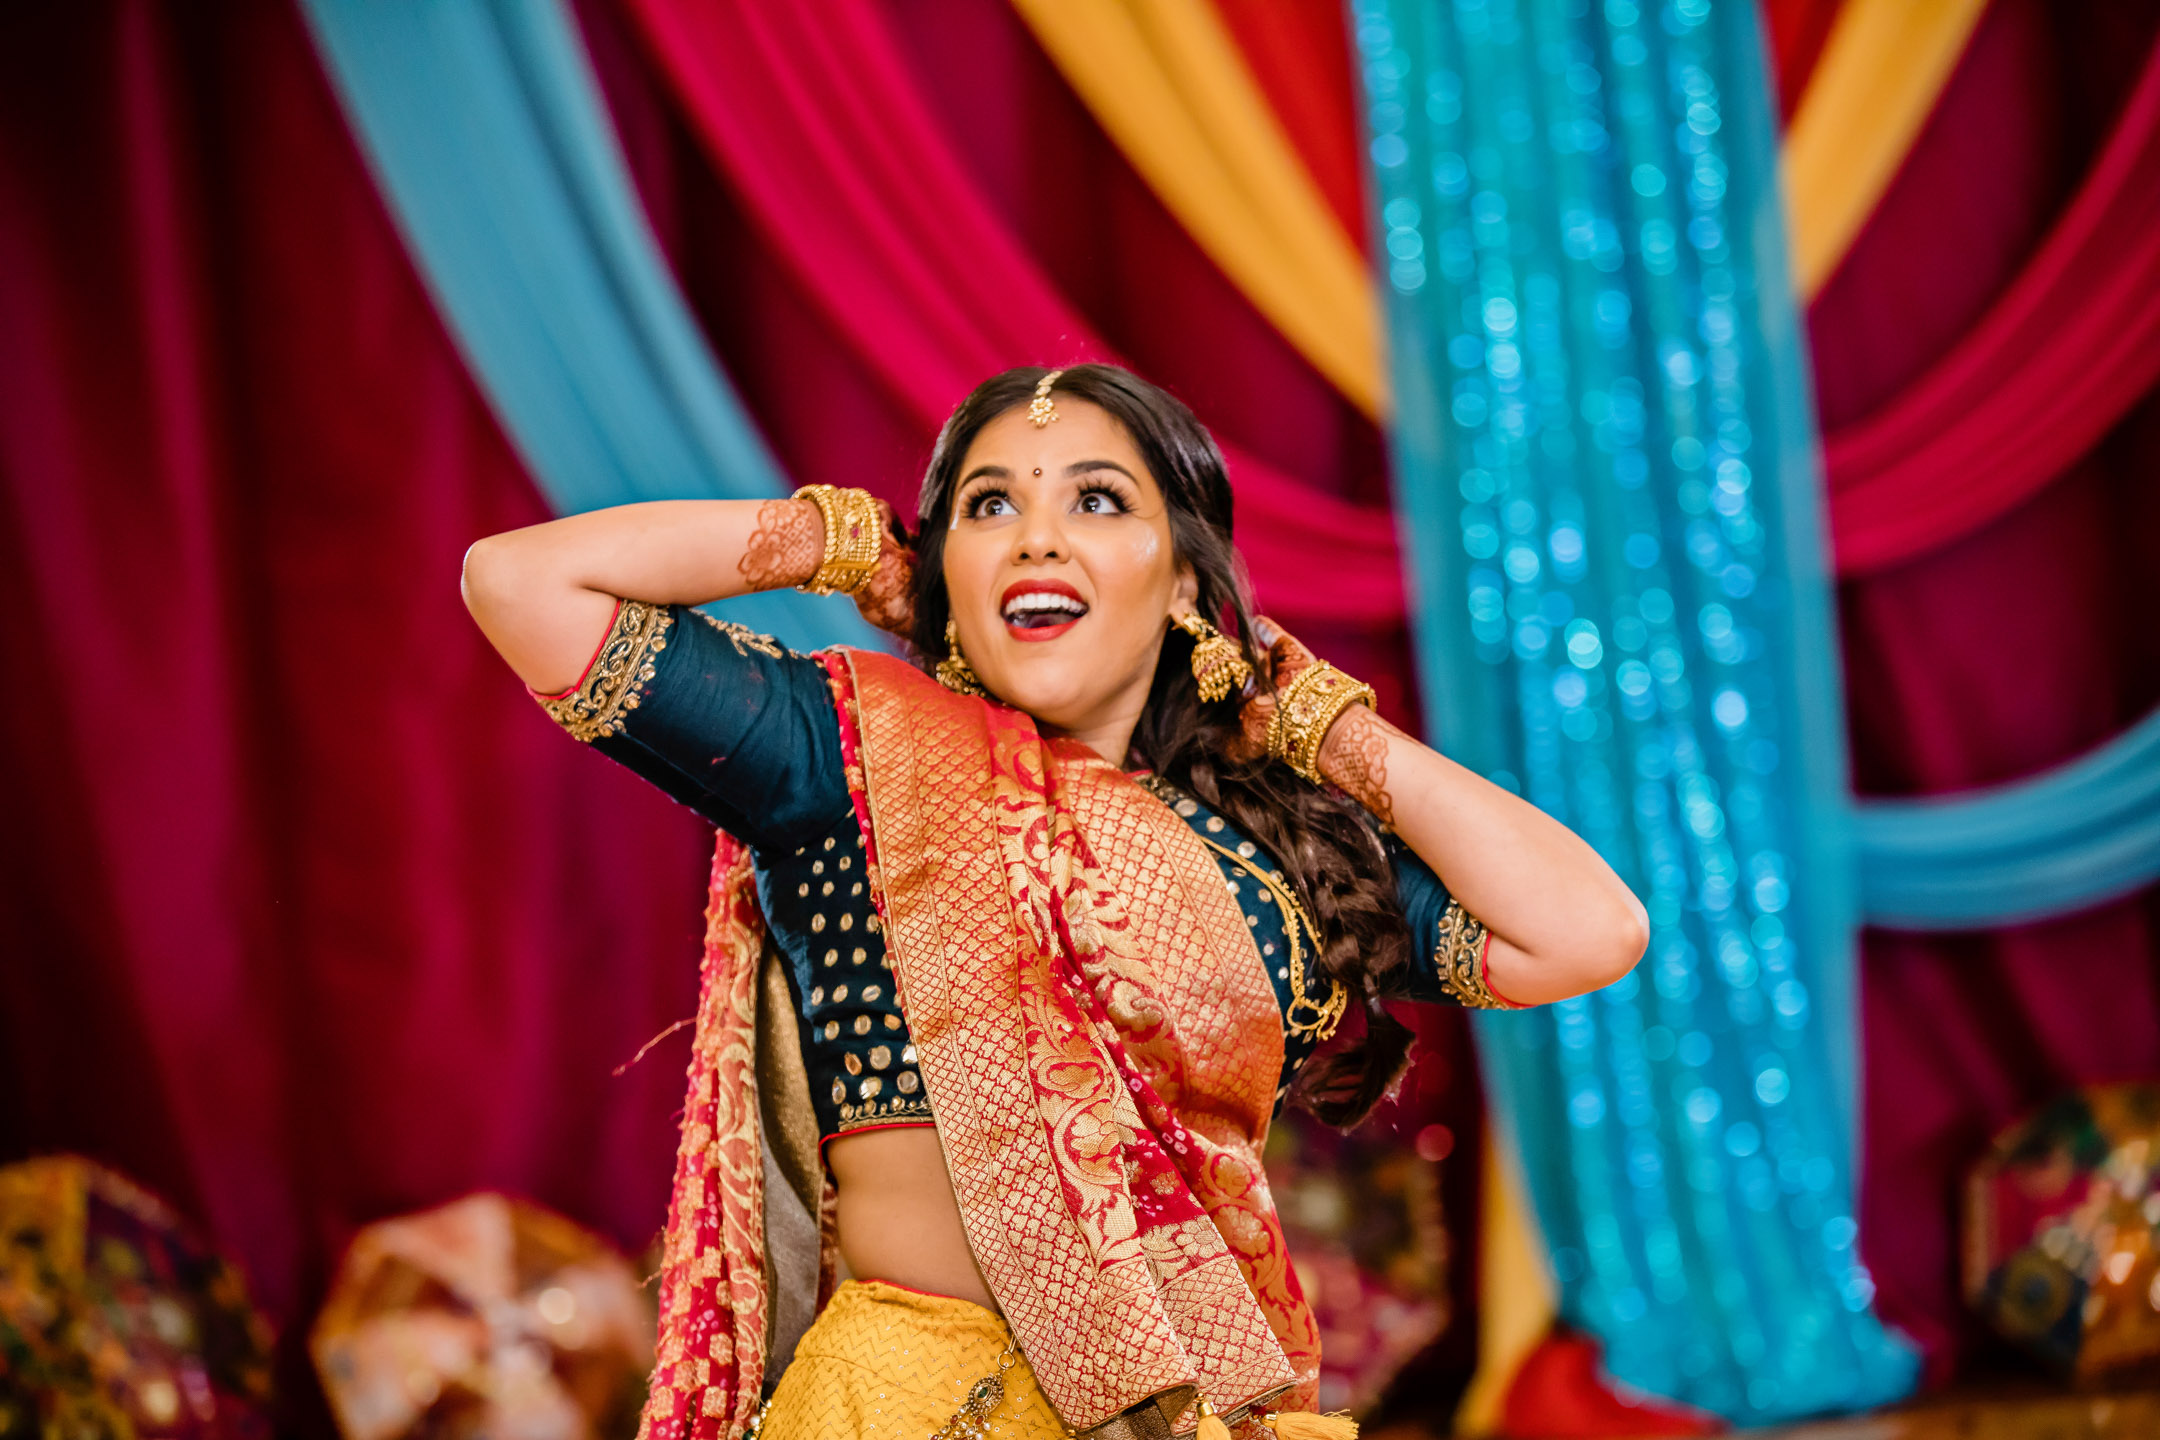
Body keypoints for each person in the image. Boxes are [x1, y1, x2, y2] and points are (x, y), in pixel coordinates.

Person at [462, 365, 1646, 1440]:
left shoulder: (1278, 848)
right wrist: (829, 543)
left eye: (1095, 502)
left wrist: (1331, 734)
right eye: (988, 507)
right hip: (919, 1414)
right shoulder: (844, 759)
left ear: (1184, 570)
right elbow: (517, 580)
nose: (1036, 539)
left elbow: (1588, 932)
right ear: (944, 569)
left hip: (1207, 1413)